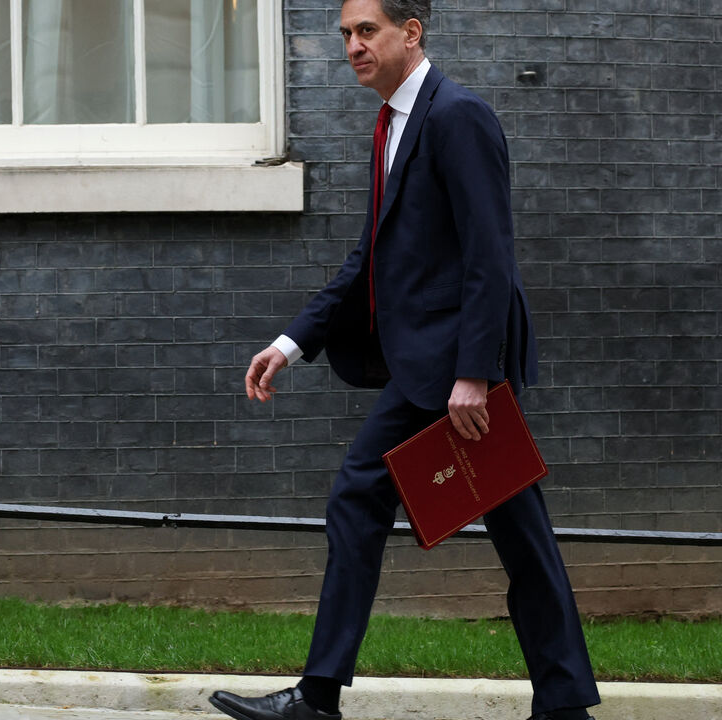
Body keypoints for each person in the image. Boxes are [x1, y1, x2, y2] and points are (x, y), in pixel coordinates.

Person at [207, 2, 602, 720]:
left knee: (364, 495)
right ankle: (563, 702)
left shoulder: (457, 116)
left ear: (410, 33)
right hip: (435, 369)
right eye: (346, 36)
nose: (352, 46)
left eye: (367, 32)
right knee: (518, 533)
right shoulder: (392, 123)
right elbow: (371, 257)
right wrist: (291, 342)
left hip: (454, 372)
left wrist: (475, 375)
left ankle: (318, 698)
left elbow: (491, 255)